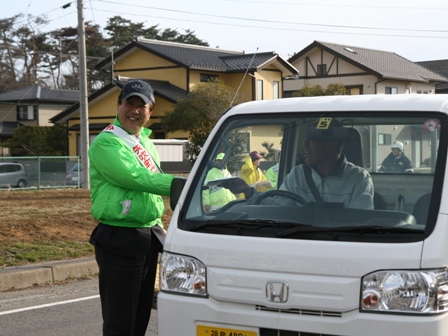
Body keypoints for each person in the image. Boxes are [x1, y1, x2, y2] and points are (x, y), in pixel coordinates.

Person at [88, 80, 176, 336]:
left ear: (150, 111)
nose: (134, 110)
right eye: (130, 103)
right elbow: (135, 177)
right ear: (118, 105)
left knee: (139, 316)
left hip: (148, 236)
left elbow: (151, 182)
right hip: (119, 237)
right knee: (120, 321)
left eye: (142, 105)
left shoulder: (144, 141)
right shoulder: (107, 142)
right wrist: (184, 184)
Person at [223, 119, 374, 209]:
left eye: (310, 143)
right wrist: (248, 192)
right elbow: (277, 209)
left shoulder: (359, 178)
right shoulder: (298, 174)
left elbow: (361, 223)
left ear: (330, 146)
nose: (305, 147)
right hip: (299, 240)